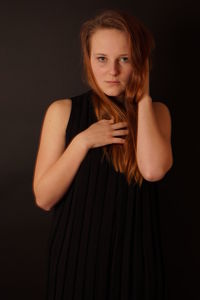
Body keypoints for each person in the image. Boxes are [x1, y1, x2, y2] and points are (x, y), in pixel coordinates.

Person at [32, 9, 173, 300]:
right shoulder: (62, 112)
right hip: (76, 264)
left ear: (141, 61)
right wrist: (82, 142)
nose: (113, 71)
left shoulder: (157, 112)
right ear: (89, 60)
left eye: (125, 58)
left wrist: (143, 98)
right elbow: (44, 199)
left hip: (137, 262)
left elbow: (153, 171)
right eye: (102, 59)